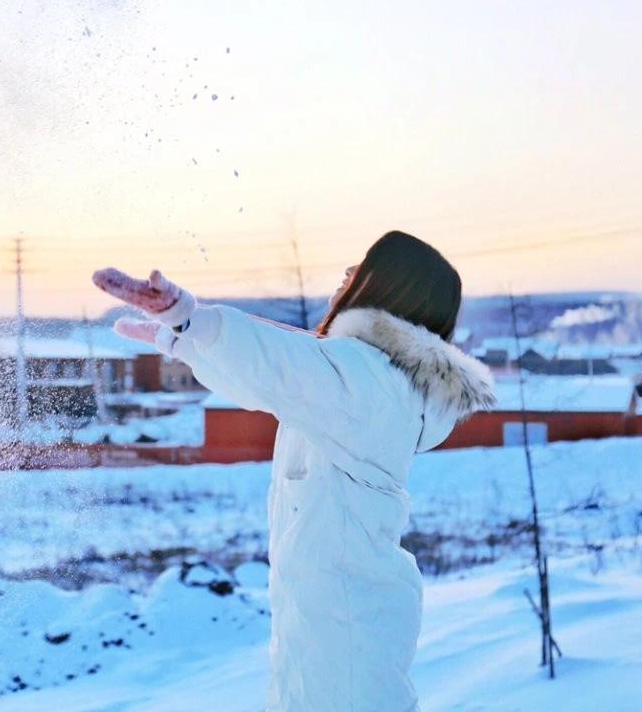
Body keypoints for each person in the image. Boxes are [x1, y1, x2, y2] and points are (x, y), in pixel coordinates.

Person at [92, 230, 496, 712]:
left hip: (345, 634)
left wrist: (187, 321)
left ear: (393, 286)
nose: (349, 272)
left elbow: (278, 366)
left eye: (365, 264)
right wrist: (184, 341)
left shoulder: (368, 382)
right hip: (337, 622)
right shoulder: (365, 379)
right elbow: (269, 383)